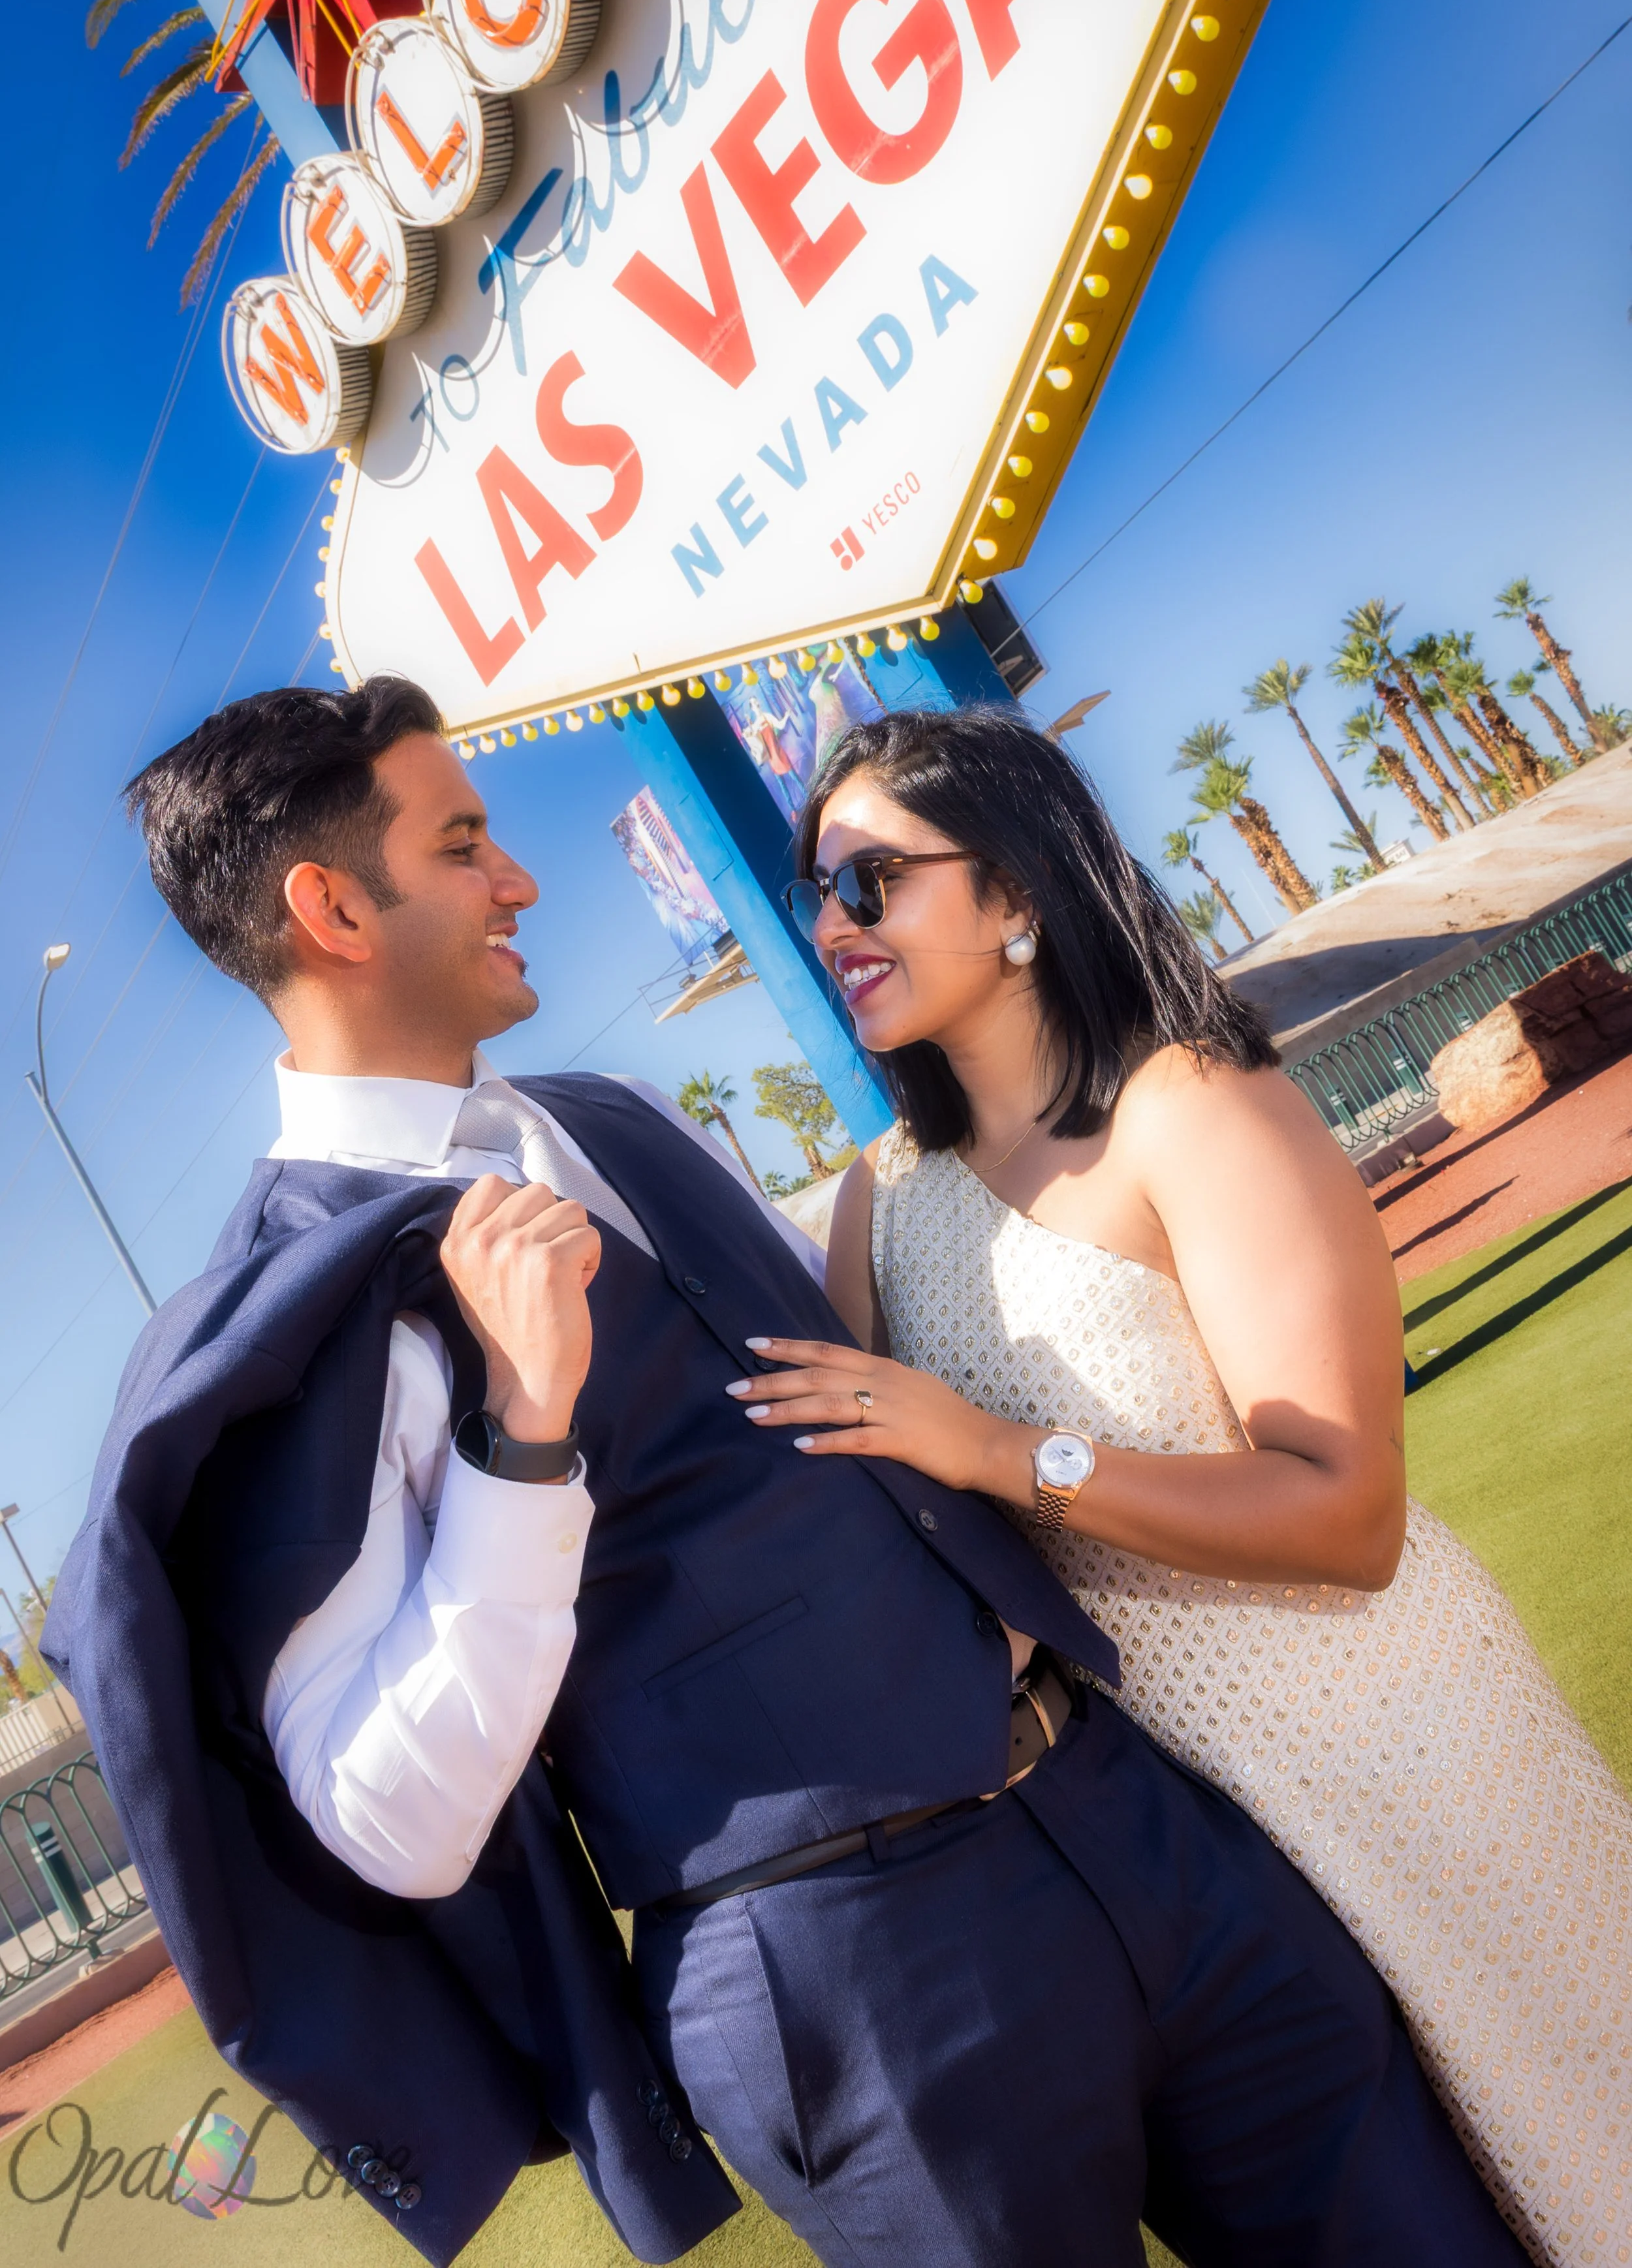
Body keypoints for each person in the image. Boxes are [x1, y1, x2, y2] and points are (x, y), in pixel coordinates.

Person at [44, 678, 1526, 2268]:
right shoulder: (307, 1316)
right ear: (333, 906)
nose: (520, 879)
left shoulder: (605, 1116)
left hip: (1130, 1812)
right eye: (466, 843)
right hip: (855, 1970)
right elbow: (386, 1819)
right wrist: (519, 1432)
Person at [745, 702, 1632, 2268]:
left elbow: (1345, 1512)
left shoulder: (1194, 1109)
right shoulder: (876, 1208)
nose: (831, 924)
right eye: (819, 890)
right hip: (1171, 1843)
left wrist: (1000, 1454)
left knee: (1577, 2156)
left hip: (1399, 1755)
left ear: (1016, 892)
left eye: (870, 882)